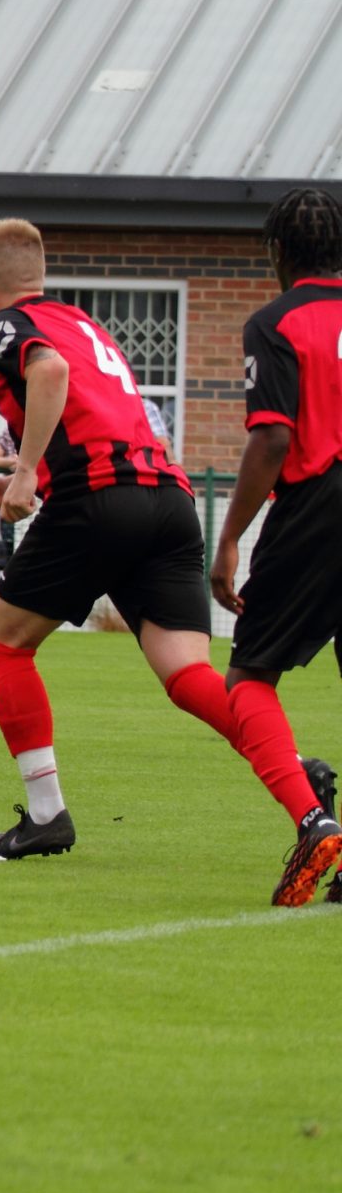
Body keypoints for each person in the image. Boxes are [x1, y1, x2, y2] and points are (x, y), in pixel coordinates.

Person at [0, 217, 336, 904]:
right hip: (166, 500)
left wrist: (26, 472)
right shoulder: (83, 323)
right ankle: (296, 779)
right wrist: (17, 477)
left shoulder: (4, 324)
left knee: (4, 644)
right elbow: (91, 411)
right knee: (188, 675)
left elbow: (49, 373)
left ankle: (46, 816)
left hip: (99, 499)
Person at [210, 187, 342, 899]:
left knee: (249, 678)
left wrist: (230, 536)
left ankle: (315, 821)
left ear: (277, 252)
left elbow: (273, 438)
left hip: (320, 504)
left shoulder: (276, 321)